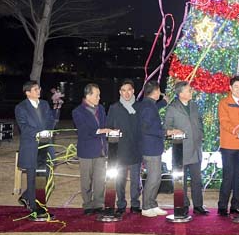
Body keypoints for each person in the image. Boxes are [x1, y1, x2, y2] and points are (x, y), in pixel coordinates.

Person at [164, 81, 209, 215]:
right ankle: (183, 205)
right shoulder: (172, 108)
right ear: (181, 93)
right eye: (189, 90)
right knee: (181, 180)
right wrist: (172, 131)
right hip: (181, 149)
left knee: (197, 179)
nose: (191, 92)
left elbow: (199, 122)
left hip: (196, 149)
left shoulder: (194, 105)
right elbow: (166, 127)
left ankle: (198, 206)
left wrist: (201, 135)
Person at [14, 80, 57, 217]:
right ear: (28, 93)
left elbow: (50, 120)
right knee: (33, 176)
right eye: (35, 89)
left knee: (47, 173)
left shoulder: (44, 104)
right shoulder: (21, 108)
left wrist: (49, 131)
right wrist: (38, 133)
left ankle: (27, 196)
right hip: (31, 147)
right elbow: (24, 127)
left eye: (39, 89)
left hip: (46, 145)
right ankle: (35, 207)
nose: (38, 91)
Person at [72, 83, 113, 215]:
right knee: (86, 180)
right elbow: (84, 131)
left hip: (101, 150)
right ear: (88, 95)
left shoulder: (100, 108)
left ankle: (99, 204)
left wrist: (110, 130)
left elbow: (105, 124)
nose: (99, 98)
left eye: (99, 95)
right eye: (97, 95)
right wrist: (102, 131)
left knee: (100, 180)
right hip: (86, 151)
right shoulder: (77, 111)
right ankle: (88, 205)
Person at [104, 79, 143, 215]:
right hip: (119, 150)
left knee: (135, 181)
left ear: (133, 91)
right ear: (120, 92)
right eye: (124, 90)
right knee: (119, 180)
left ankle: (135, 204)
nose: (127, 93)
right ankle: (120, 204)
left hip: (135, 149)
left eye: (129, 90)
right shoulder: (114, 108)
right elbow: (108, 127)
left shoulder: (139, 107)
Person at [217, 75, 239, 216]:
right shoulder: (224, 103)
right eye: (236, 86)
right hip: (229, 145)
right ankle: (222, 205)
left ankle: (236, 205)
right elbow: (224, 122)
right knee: (228, 176)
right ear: (230, 88)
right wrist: (238, 132)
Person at [138, 81, 169, 217]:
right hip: (150, 147)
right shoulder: (147, 107)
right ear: (155, 91)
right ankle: (146, 206)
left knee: (156, 177)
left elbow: (155, 109)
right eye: (159, 91)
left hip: (153, 146)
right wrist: (165, 132)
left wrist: (164, 102)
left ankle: (152, 203)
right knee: (153, 178)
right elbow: (147, 127)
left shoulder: (148, 104)